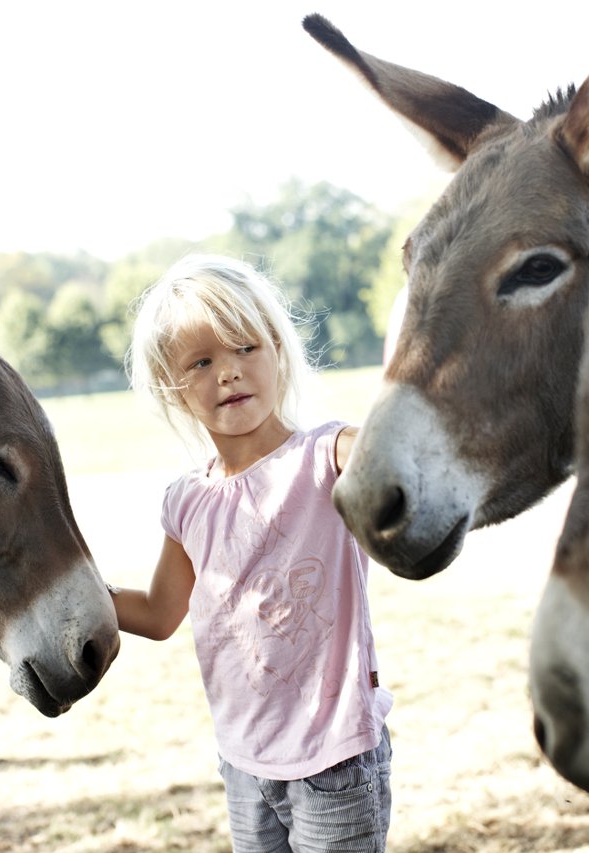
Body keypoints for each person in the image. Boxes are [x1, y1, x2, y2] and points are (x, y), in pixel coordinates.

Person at [112, 254, 393, 852]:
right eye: (202, 362)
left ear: (278, 352)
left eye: (246, 349)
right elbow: (161, 614)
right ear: (173, 386)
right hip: (245, 763)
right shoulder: (186, 501)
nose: (230, 373)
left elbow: (388, 457)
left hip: (336, 759)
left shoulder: (326, 455)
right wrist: (79, 598)